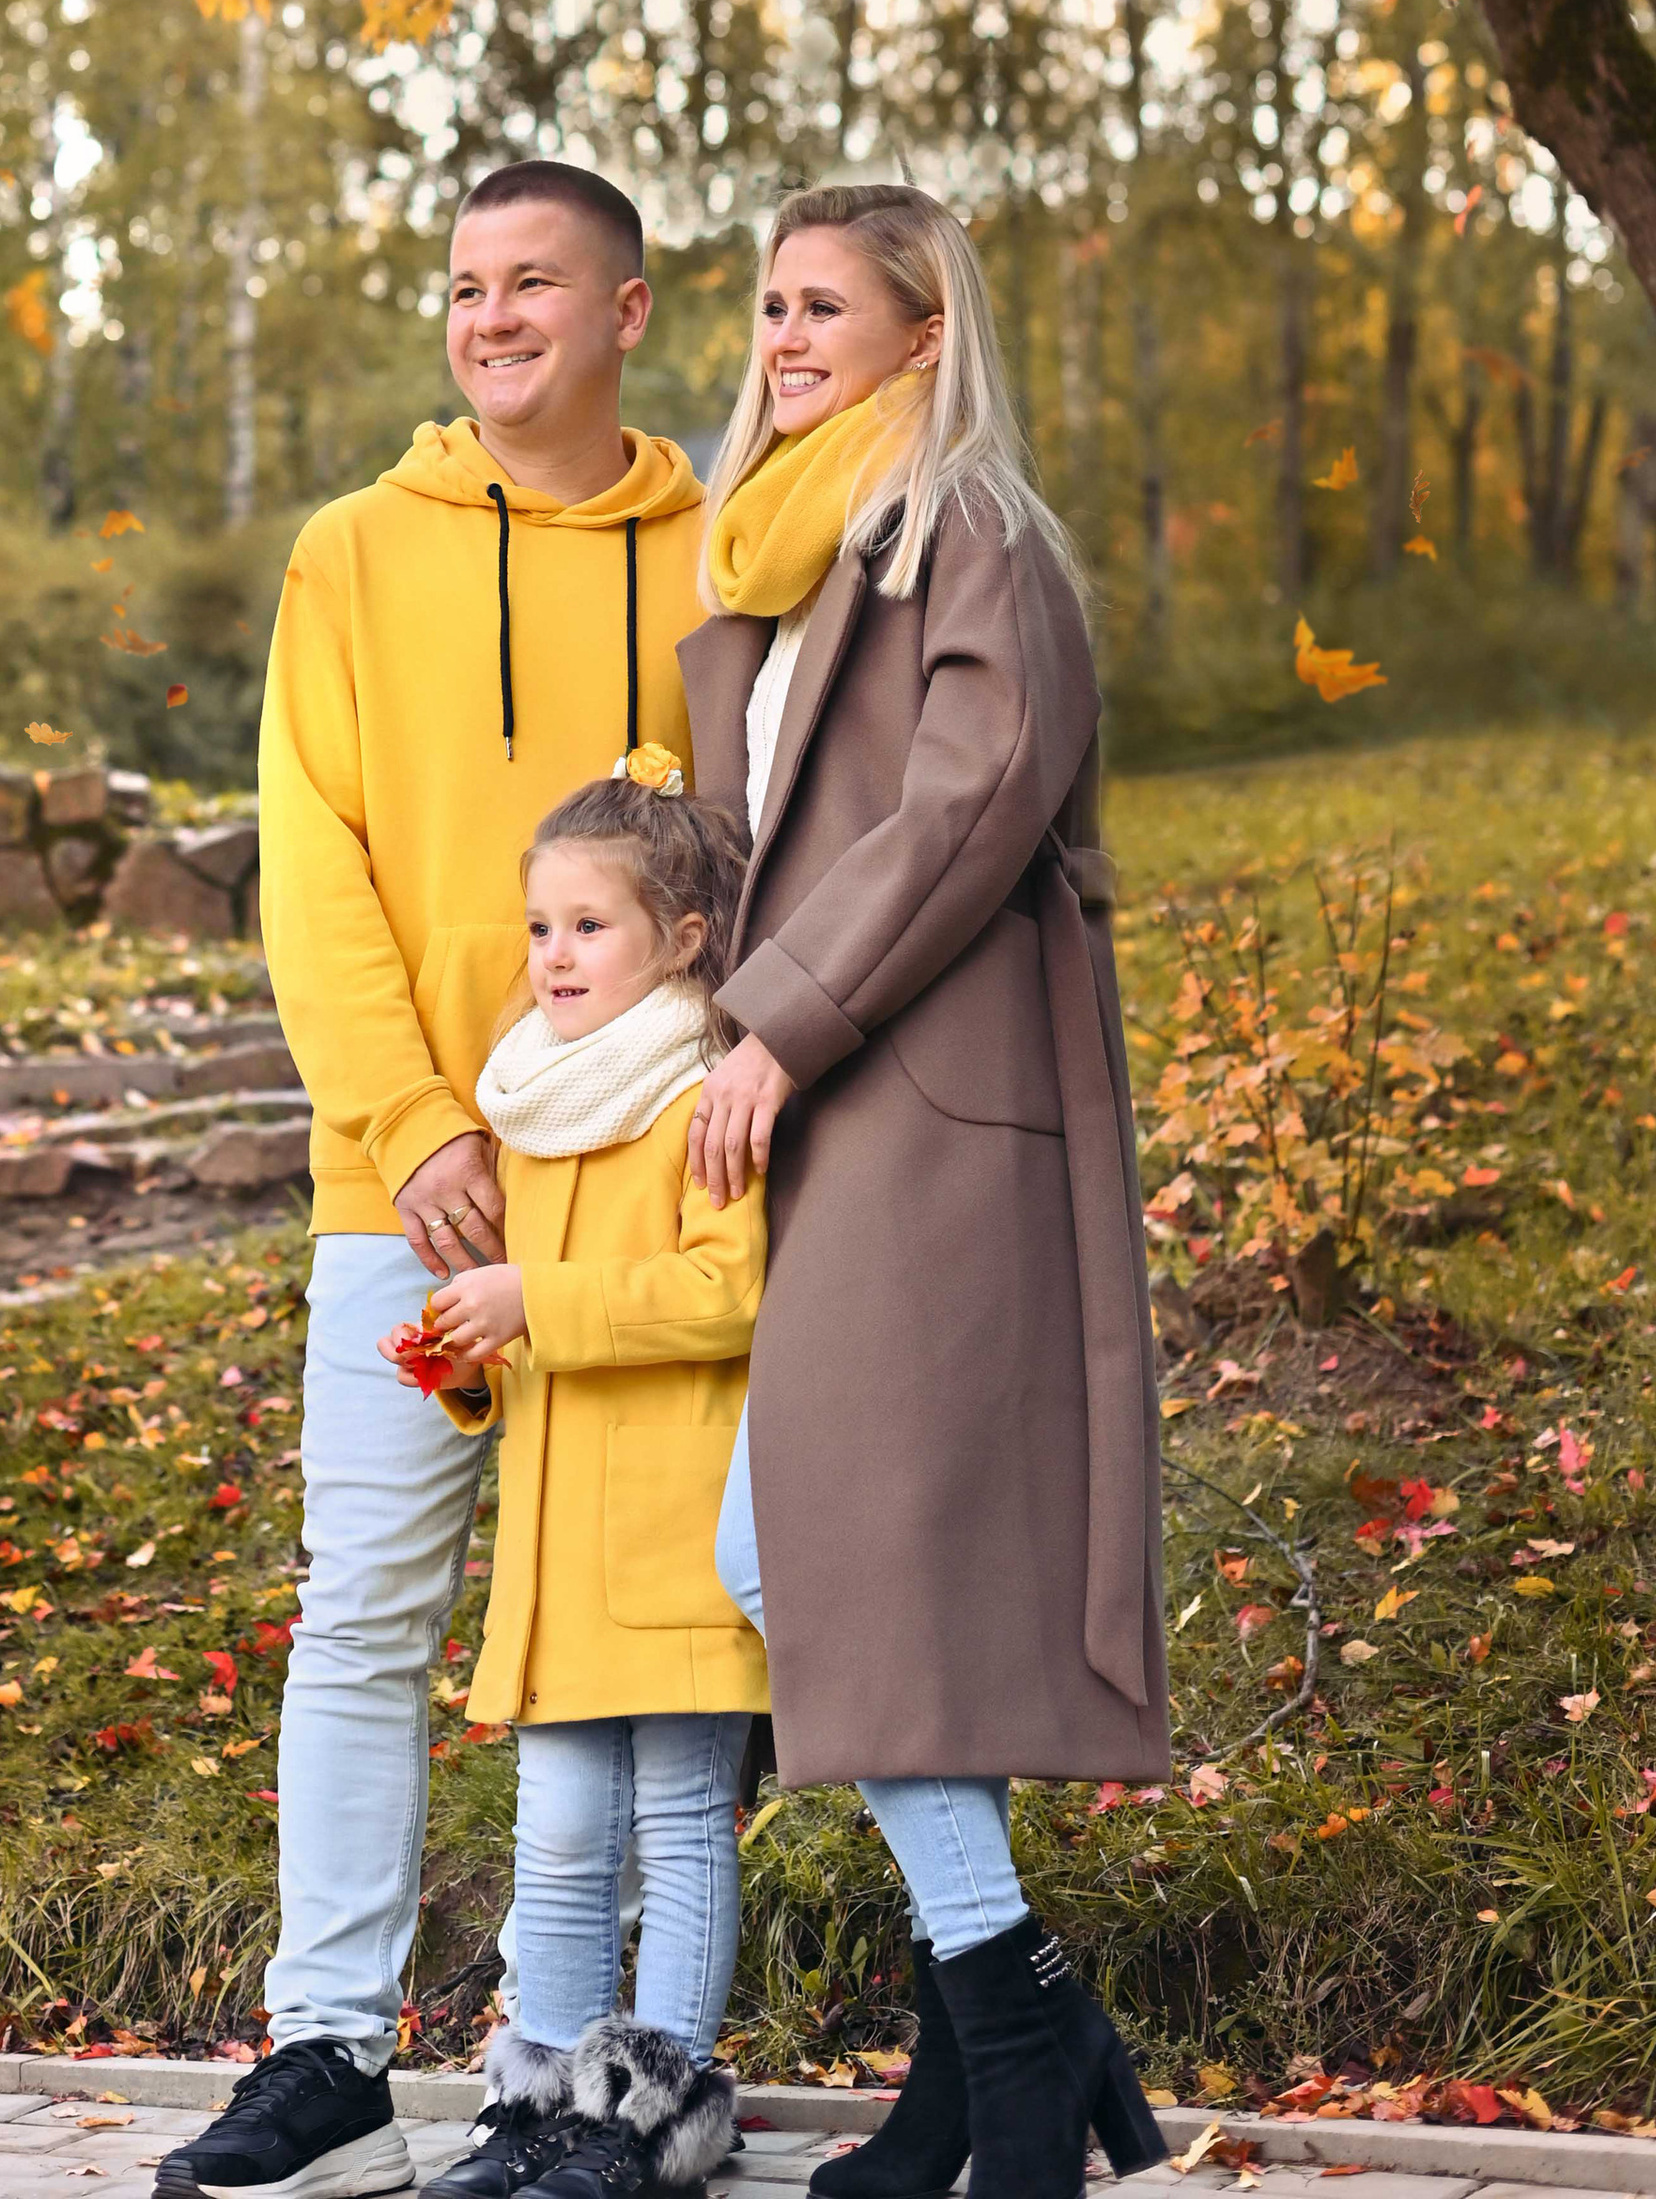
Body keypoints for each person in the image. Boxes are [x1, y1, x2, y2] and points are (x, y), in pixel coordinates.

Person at [160, 161, 708, 2199]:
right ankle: (322, 2057)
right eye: (465, 285)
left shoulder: (719, 558)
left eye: (532, 282)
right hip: (396, 1193)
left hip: (640, 1197)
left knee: (635, 1638)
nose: (489, 318)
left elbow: (745, 869)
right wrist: (420, 1130)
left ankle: (594, 2083)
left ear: (626, 308)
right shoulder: (351, 555)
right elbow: (310, 881)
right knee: (368, 1610)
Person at [679, 182, 1169, 2199]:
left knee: (808, 1564)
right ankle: (996, 2064)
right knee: (811, 1566)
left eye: (821, 309)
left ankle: (1010, 2036)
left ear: (918, 336)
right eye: (769, 308)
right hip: (834, 1098)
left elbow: (970, 802)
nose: (781, 340)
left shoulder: (970, 531)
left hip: (937, 1093)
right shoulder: (782, 566)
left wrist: (779, 1021)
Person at [397, 764, 762, 2199]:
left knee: (676, 1822)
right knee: (552, 1833)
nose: (552, 955)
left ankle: (653, 2108)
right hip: (554, 1551)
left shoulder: (701, 1103)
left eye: (589, 927)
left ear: (679, 937)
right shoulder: (531, 1109)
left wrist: (533, 1297)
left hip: (673, 1526)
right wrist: (467, 1357)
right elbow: (525, 1323)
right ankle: (544, 2093)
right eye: (538, 928)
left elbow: (726, 1294)